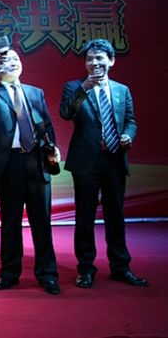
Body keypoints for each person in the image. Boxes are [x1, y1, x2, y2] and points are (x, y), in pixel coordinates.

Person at [0, 48, 60, 295]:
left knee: (42, 222)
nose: (12, 63)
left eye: (16, 59)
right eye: (6, 60)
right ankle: (9, 274)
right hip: (8, 164)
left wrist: (52, 146)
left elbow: (46, 125)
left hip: (36, 162)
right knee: (10, 222)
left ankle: (48, 274)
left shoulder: (35, 92)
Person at [60, 38, 147, 288]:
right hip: (86, 162)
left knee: (115, 215)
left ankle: (121, 267)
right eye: (89, 59)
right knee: (85, 217)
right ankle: (86, 269)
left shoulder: (122, 90)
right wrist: (85, 87)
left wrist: (128, 135)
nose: (94, 63)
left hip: (114, 160)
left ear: (111, 61)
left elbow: (130, 120)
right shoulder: (74, 87)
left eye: (99, 58)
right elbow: (66, 113)